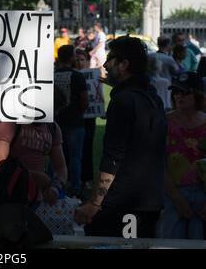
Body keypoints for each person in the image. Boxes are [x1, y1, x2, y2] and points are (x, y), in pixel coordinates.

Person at [75, 36, 167, 238]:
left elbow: (113, 156)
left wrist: (94, 204)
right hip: (150, 201)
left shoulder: (124, 101)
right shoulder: (152, 97)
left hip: (123, 203)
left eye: (111, 59)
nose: (106, 64)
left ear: (124, 64)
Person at [160, 72, 206, 239]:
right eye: (176, 92)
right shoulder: (165, 122)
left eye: (185, 92)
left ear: (198, 95)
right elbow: (159, 163)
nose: (179, 96)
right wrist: (177, 199)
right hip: (173, 194)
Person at [54, 45, 88, 196]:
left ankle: (54, 186)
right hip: (75, 122)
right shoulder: (78, 76)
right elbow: (84, 101)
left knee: (54, 157)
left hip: (55, 121)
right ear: (72, 58)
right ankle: (75, 187)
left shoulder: (51, 75)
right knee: (75, 157)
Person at [75, 48, 96, 189]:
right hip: (75, 118)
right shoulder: (72, 76)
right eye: (77, 59)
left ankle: (87, 178)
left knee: (87, 148)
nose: (79, 62)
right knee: (74, 150)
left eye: (82, 59)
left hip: (89, 118)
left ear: (87, 62)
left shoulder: (93, 76)